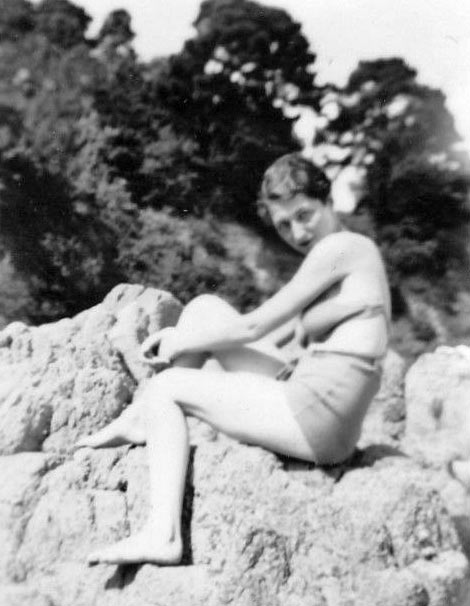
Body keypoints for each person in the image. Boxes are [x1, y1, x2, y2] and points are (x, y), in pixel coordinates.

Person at [77, 152, 391, 566]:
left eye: (304, 215)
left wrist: (182, 341)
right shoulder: (349, 250)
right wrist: (192, 335)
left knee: (166, 387)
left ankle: (163, 535)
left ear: (328, 200)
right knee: (205, 308)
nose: (297, 232)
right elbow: (280, 333)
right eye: (283, 225)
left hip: (319, 418)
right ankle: (142, 418)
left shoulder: (339, 248)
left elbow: (252, 327)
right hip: (317, 402)